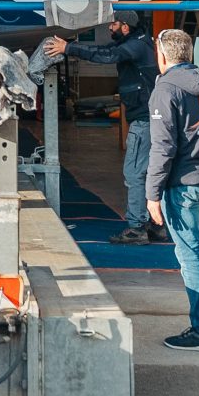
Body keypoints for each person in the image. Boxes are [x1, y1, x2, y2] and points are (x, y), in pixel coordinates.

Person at [144, 28, 199, 353]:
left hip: (184, 185)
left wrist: (152, 194)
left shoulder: (166, 90)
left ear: (162, 55)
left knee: (190, 255)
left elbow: (162, 147)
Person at [44, 15, 166, 244]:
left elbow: (107, 56)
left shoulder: (135, 46)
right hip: (151, 119)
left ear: (125, 27)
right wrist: (71, 46)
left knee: (134, 174)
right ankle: (156, 225)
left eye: (114, 24)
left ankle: (137, 228)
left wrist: (68, 48)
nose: (110, 27)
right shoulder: (138, 42)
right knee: (151, 173)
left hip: (145, 121)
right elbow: (106, 49)